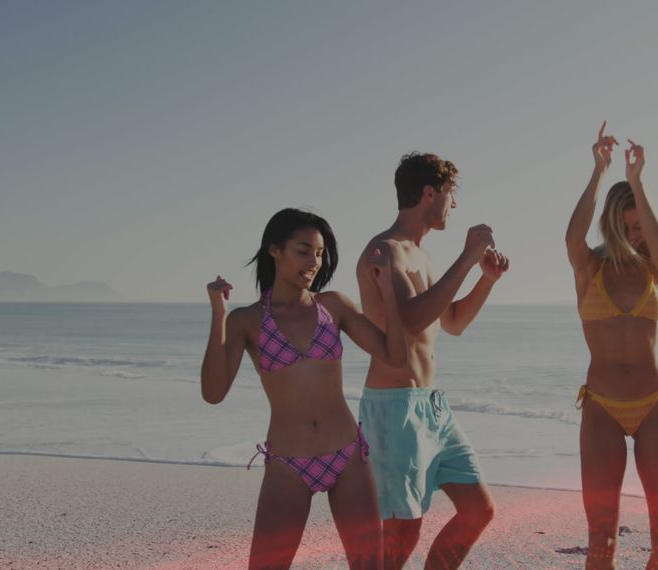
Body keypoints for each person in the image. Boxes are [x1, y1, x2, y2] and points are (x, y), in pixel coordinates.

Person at [201, 208, 406, 569]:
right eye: (303, 250)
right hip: (288, 465)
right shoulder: (245, 321)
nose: (314, 261)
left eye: (319, 252)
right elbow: (213, 392)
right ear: (274, 250)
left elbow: (396, 355)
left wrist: (388, 289)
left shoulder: (334, 306)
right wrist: (219, 314)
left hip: (347, 457)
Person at [355, 152, 510, 569]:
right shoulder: (382, 252)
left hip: (432, 407)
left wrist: (485, 279)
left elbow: (453, 321)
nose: (453, 205)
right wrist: (466, 257)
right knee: (403, 533)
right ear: (429, 193)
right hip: (394, 409)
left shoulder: (422, 255)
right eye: (450, 194)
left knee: (479, 510)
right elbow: (407, 322)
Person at [565, 122, 658, 569]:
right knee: (602, 540)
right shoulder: (588, 266)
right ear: (613, 223)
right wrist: (599, 173)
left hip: (653, 404)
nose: (638, 235)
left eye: (641, 226)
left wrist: (637, 181)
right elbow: (572, 237)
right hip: (601, 409)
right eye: (629, 227)